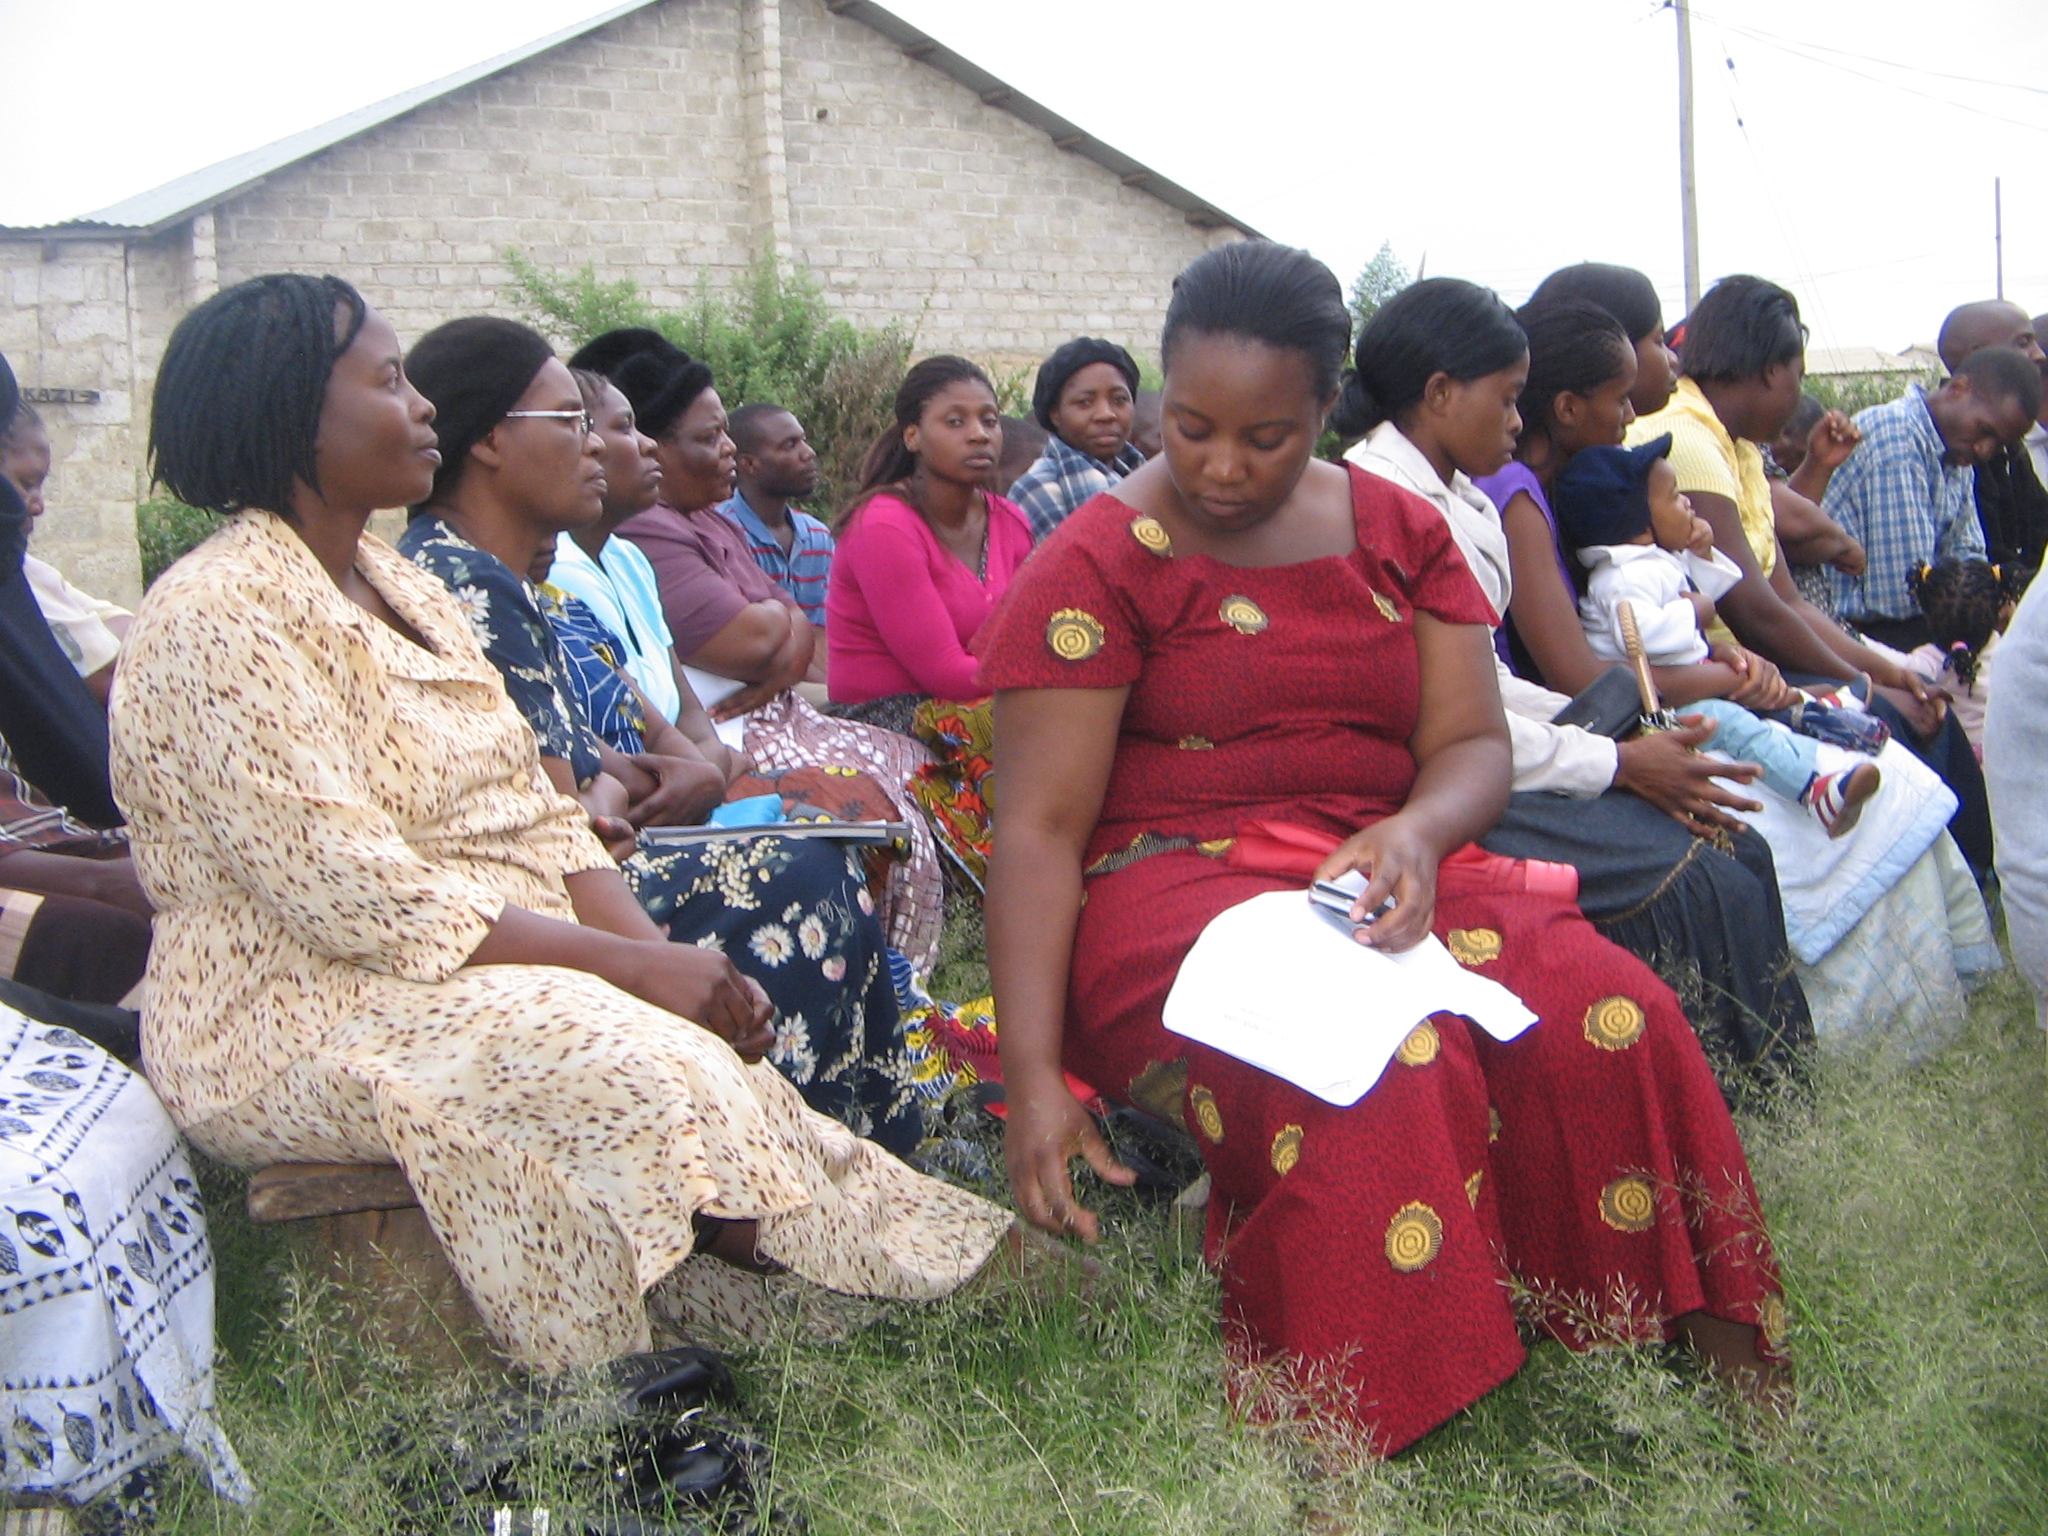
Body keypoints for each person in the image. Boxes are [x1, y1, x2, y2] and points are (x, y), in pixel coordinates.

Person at [111, 274, 1009, 1373]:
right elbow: (358, 894)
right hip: (295, 1009)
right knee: (617, 1053)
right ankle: (691, 1349)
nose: (423, 406)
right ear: (293, 412)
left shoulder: (405, 592)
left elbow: (540, 818)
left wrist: (662, 961)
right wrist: (627, 971)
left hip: (453, 968)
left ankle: (899, 1269)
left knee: (689, 1045)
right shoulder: (217, 616)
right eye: (388, 382)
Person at [985, 241, 1786, 1456]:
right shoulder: (1095, 561)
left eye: (1265, 437)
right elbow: (1038, 833)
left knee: (1609, 1018)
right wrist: (1034, 1075)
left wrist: (1415, 827)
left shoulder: (1398, 528)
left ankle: (1745, 1406)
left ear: (1327, 407)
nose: (1219, 466)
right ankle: (1340, 1452)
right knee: (1371, 1069)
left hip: (1390, 866)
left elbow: (1468, 744)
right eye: (1191, 427)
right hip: (1172, 892)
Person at [396, 316, 931, 1155]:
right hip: (526, 899)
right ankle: (787, 1143)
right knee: (800, 873)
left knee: (823, 843)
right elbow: (558, 812)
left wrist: (614, 785)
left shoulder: (515, 583)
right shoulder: (463, 581)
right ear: (492, 440)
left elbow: (601, 764)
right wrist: (614, 800)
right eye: (571, 422)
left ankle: (854, 1129)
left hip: (581, 853)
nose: (597, 447)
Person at [1349, 285, 1811, 1082]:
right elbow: (1440, 716)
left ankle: (1779, 1084)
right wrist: (1618, 762)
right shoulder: (1383, 504)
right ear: (1441, 393)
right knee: (1700, 878)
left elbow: (1484, 681)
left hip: (1492, 747)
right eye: (1507, 399)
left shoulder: (1457, 494)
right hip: (1432, 786)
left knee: (1735, 843)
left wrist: (1618, 729)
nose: (1517, 421)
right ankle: (1734, 1091)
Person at [571, 328, 946, 966]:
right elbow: (752, 644)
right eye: (709, 437)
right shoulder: (638, 539)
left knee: (911, 763)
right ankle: (883, 966)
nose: (727, 449)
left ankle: (897, 965)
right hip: (713, 748)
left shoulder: (653, 547)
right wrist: (774, 640)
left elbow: (790, 631)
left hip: (722, 743)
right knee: (853, 800)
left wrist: (777, 640)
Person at [1626, 275, 1994, 875]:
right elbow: (1755, 613)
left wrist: (1889, 672)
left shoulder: (1738, 447)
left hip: (1757, 656)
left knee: (1928, 705)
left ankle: (1979, 882)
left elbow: (1789, 601)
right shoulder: (1688, 439)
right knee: (1892, 724)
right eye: (1798, 374)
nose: (1799, 392)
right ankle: (1965, 882)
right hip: (1728, 668)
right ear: (1771, 370)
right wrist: (1870, 686)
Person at [1552, 437, 1881, 837]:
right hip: (1657, 710)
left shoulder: (1650, 560)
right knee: (1734, 725)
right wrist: (1698, 609)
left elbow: (1703, 594)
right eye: (1675, 497)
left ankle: (1820, 713)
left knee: (1758, 702)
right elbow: (1640, 636)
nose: (1688, 503)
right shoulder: (1623, 577)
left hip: (1690, 680)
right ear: (1639, 527)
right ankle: (1814, 788)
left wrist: (1703, 555)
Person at [826, 356, 1032, 728]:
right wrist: (1051, 673)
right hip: (889, 718)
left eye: (989, 420)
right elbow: (947, 674)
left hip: (984, 706)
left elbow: (1030, 632)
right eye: (955, 421)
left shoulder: (1010, 520)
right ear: (913, 436)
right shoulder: (884, 526)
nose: (979, 434)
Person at [1823, 345, 2042, 649]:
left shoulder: (1956, 451)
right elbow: (1901, 595)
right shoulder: (1896, 436)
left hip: (1916, 625)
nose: (1984, 450)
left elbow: (1969, 559)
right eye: (1984, 430)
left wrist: (1988, 600)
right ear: (1959, 389)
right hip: (1852, 633)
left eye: (1998, 444)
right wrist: (1977, 608)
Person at [0, 405, 132, 705]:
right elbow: (110, 679)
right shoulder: (15, 586)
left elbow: (130, 626)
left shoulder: (31, 571)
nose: (38, 506)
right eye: (26, 484)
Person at [1935, 300, 2048, 577]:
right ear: (1979, 355)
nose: (2039, 355)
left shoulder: (2009, 445)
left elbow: (2039, 530)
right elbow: (1985, 564)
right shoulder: (1952, 448)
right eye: (2023, 342)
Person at [1007, 337, 1147, 542]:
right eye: (1085, 402)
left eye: (1119, 400)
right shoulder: (1039, 490)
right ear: (1055, 414)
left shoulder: (1145, 476)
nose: (1106, 414)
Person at [718, 403, 833, 626]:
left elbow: (826, 628)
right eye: (790, 445)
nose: (808, 453)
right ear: (749, 464)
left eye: (804, 441)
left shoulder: (818, 536)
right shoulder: (721, 535)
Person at [1901, 558, 2016, 759]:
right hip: (2005, 760)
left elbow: (1879, 657)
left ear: (1927, 615)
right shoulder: (2011, 653)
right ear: (1999, 608)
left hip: (1951, 765)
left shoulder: (1923, 663)